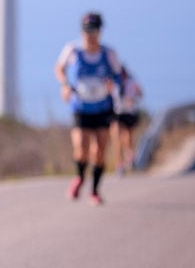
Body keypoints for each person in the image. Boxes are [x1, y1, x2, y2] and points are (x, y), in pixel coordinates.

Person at [54, 11, 123, 205]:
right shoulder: (73, 50)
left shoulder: (109, 53)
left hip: (103, 107)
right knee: (81, 148)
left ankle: (95, 190)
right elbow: (59, 68)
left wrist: (113, 84)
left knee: (100, 150)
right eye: (86, 31)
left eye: (94, 31)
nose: (90, 36)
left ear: (100, 32)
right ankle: (80, 178)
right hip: (81, 107)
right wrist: (65, 86)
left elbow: (118, 74)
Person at [112, 65, 144, 176]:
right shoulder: (113, 83)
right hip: (116, 113)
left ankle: (130, 155)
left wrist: (133, 98)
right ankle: (120, 165)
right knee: (117, 139)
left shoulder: (132, 82)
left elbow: (140, 93)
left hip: (129, 112)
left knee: (128, 138)